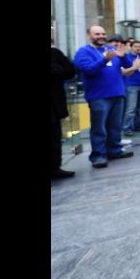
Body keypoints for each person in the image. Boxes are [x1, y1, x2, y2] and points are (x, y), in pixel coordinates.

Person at [73, 26, 135, 168]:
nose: (101, 36)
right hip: (98, 97)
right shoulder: (83, 52)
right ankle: (98, 156)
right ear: (89, 35)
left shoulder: (111, 49)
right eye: (97, 34)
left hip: (117, 94)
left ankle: (114, 150)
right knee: (99, 128)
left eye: (103, 33)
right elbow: (89, 70)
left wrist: (123, 55)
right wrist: (104, 59)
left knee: (115, 126)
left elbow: (127, 65)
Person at [51, 40, 77, 179]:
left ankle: (55, 168)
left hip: (55, 104)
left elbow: (70, 71)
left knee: (55, 137)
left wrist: (55, 69)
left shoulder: (55, 53)